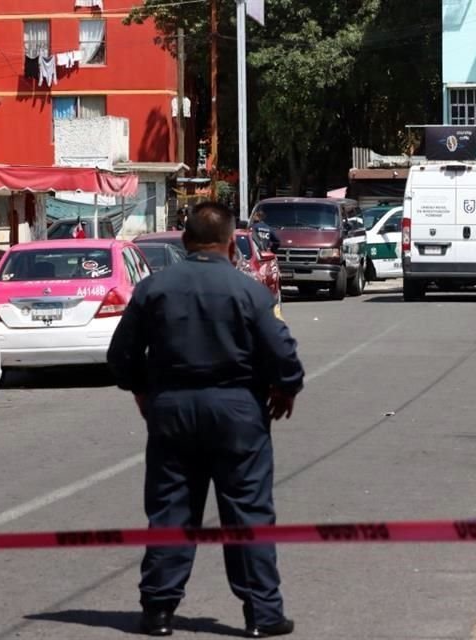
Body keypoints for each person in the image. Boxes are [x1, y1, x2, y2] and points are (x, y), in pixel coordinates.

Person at [107, 201, 304, 638]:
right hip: (238, 413)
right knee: (248, 513)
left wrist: (141, 389)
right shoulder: (250, 291)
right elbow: (282, 351)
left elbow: (120, 355)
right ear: (232, 242)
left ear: (184, 240)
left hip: (172, 410)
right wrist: (285, 387)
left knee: (170, 511)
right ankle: (262, 615)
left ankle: (158, 611)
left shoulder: (154, 289)